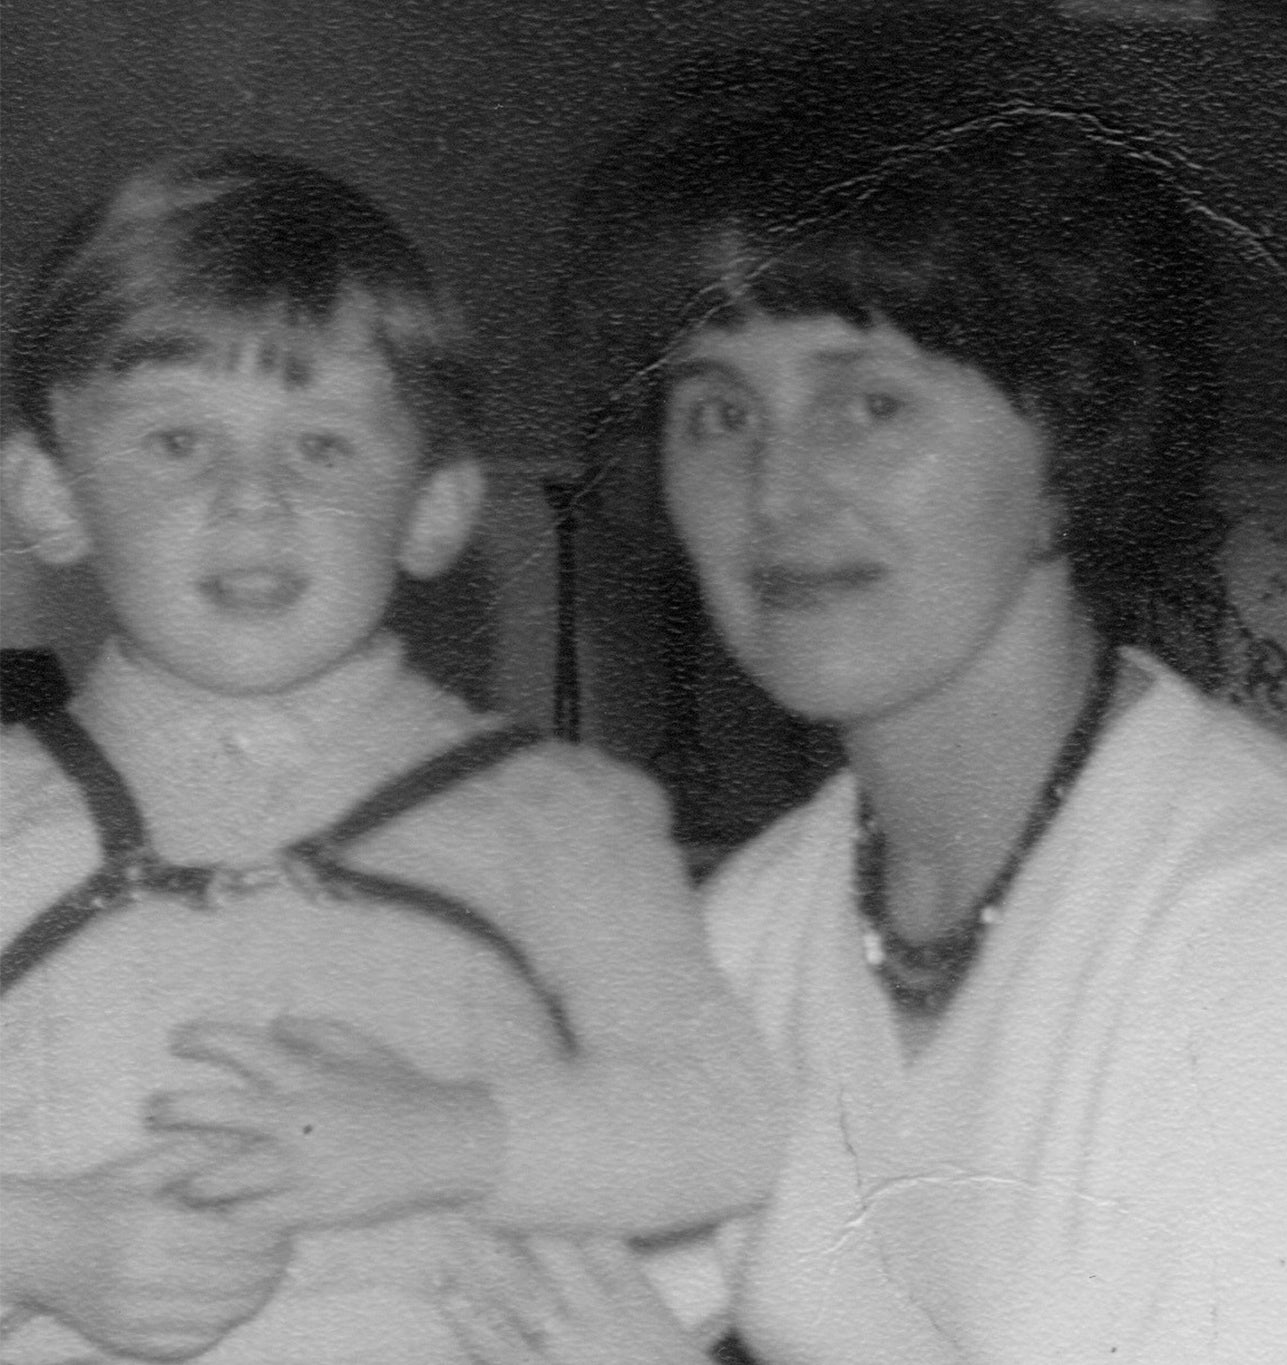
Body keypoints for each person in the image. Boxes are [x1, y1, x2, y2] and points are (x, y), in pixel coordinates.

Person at [444, 16, 1287, 1361]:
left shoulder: (1282, 921)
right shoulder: (768, 923)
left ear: (1073, 442)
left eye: (869, 403)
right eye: (718, 410)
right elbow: (511, 1304)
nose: (777, 491)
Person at [0, 150, 784, 1364]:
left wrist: (446, 1141)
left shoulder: (558, 814)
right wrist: (39, 1245)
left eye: (320, 446)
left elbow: (726, 1117)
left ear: (433, 508)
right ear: (48, 493)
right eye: (174, 442)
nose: (249, 498)